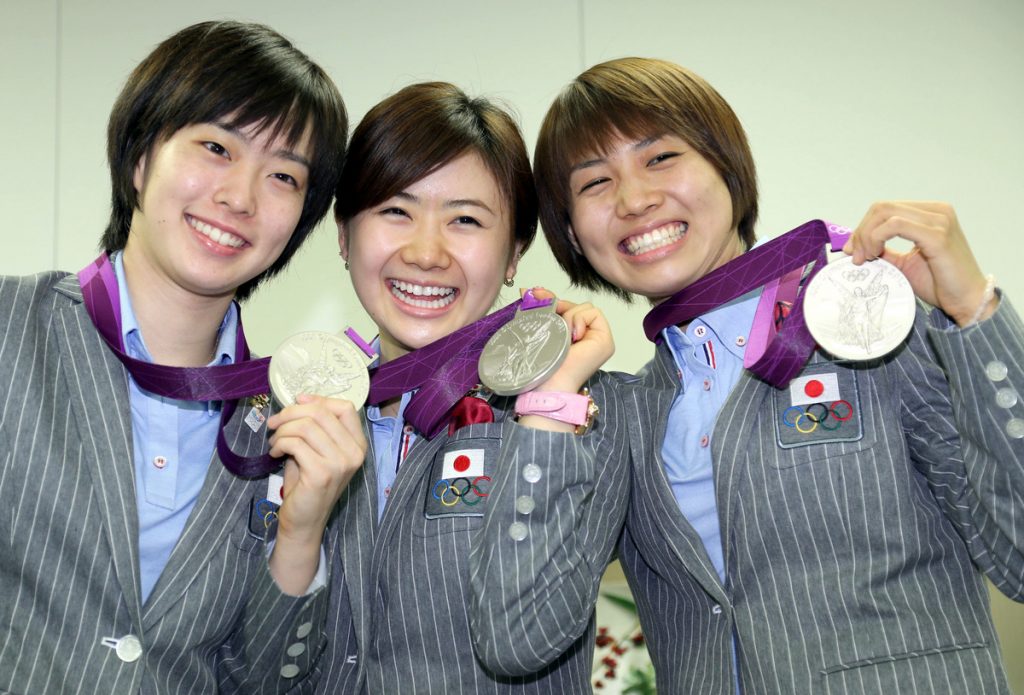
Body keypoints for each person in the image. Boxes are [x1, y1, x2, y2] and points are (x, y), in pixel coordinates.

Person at [533, 57, 1024, 694]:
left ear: (727, 168)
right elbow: (523, 630)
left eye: (660, 159)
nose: (634, 199)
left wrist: (973, 314)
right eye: (594, 183)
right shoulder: (616, 414)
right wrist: (548, 402)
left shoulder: (869, 329)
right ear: (571, 232)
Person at [0, 21, 364, 694]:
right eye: (216, 146)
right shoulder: (11, 327)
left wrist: (303, 528)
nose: (241, 196)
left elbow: (263, 679)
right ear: (141, 158)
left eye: (283, 174)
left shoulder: (292, 419)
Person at [315, 82, 629, 693]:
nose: (426, 252)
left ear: (514, 251)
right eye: (395, 211)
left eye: (465, 219)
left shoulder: (586, 414)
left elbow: (525, 638)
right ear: (344, 235)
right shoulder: (299, 417)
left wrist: (549, 408)